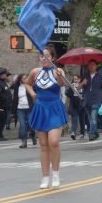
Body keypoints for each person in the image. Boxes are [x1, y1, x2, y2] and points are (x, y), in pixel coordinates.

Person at [25, 45, 68, 189]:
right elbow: (27, 83)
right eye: (41, 56)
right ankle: (45, 177)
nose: (43, 59)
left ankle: (55, 174)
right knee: (43, 145)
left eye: (47, 56)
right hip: (41, 108)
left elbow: (62, 84)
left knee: (53, 142)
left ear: (53, 58)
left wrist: (60, 75)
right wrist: (32, 94)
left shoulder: (58, 70)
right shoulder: (35, 72)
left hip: (54, 108)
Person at [80, 60, 102, 141]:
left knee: (93, 117)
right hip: (87, 100)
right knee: (91, 119)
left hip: (97, 100)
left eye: (93, 65)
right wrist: (82, 83)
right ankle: (96, 133)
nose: (91, 66)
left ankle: (91, 134)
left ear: (96, 66)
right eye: (90, 65)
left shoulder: (100, 76)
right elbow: (78, 87)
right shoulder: (85, 76)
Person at [12, 73, 36, 148]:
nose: (25, 79)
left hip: (29, 108)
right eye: (23, 78)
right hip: (20, 109)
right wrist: (12, 111)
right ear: (20, 80)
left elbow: (35, 95)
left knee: (30, 124)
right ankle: (24, 141)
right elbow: (15, 99)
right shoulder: (17, 87)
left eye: (26, 78)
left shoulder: (30, 86)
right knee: (22, 125)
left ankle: (33, 135)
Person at [66, 75, 86, 140]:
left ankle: (82, 133)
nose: (76, 80)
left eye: (77, 79)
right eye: (74, 79)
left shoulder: (83, 86)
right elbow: (66, 93)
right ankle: (73, 133)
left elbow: (86, 94)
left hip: (82, 105)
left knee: (82, 120)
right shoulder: (72, 86)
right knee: (74, 120)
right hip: (74, 105)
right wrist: (70, 88)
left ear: (80, 79)